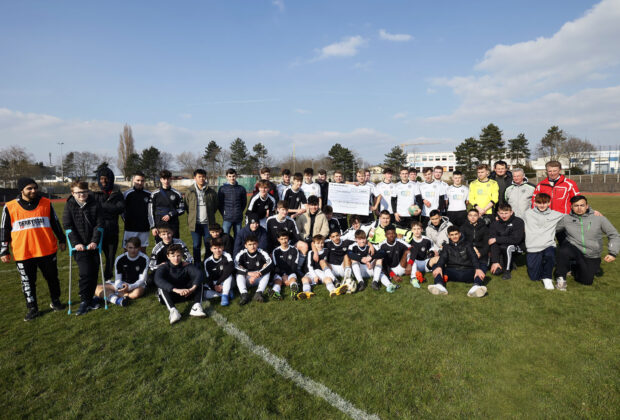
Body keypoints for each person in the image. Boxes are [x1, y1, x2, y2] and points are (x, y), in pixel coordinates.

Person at [1, 177, 67, 321]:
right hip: (23, 252)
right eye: (29, 188)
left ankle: (55, 302)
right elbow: (4, 230)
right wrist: (4, 250)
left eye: (35, 188)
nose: (33, 191)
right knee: (28, 282)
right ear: (21, 190)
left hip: (47, 250)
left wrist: (62, 239)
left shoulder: (46, 203)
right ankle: (32, 308)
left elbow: (55, 223)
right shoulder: (10, 206)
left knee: (53, 279)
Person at [555, 195, 619, 290]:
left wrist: (612, 252)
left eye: (582, 205)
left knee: (586, 281)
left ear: (587, 206)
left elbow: (614, 235)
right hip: (573, 247)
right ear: (571, 207)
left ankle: (574, 266)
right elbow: (552, 230)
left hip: (591, 254)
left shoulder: (599, 218)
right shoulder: (566, 219)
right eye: (576, 206)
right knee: (564, 250)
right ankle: (561, 279)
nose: (579, 208)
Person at [63, 180, 104, 316]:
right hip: (79, 246)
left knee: (93, 272)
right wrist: (76, 243)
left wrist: (94, 241)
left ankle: (90, 298)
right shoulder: (69, 205)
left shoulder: (95, 203)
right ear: (73, 193)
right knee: (85, 272)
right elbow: (68, 226)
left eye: (85, 192)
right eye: (79, 193)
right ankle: (84, 301)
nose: (82, 195)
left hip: (93, 245)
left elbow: (99, 224)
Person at [428, 226, 487, 298]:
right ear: (449, 236)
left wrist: (477, 269)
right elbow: (442, 258)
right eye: (452, 235)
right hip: (452, 272)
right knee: (436, 266)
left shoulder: (467, 244)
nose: (454, 236)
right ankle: (439, 285)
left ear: (460, 234)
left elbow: (473, 257)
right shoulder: (446, 247)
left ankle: (476, 286)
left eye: (456, 234)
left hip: (467, 272)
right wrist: (439, 267)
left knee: (483, 265)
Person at [154, 244, 206, 324]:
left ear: (182, 255)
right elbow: (158, 279)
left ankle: (196, 307)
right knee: (161, 287)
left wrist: (192, 289)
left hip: (187, 294)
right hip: (172, 296)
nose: (176, 258)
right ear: (168, 256)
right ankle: (173, 311)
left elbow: (199, 274)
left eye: (178, 255)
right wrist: (176, 290)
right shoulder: (164, 266)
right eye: (173, 256)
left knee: (199, 281)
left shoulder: (186, 265)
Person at [522, 193, 564, 290]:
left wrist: (591, 211)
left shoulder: (556, 214)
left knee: (550, 254)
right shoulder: (528, 213)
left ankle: (547, 278)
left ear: (549, 203)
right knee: (534, 277)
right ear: (535, 203)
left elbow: (572, 215)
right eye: (539, 202)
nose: (542, 205)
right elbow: (516, 220)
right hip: (533, 246)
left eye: (545, 203)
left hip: (548, 244)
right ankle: (540, 266)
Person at [92, 165, 125, 282]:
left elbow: (120, 208)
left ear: (111, 178)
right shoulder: (93, 193)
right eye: (101, 178)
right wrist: (110, 208)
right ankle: (93, 281)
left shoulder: (117, 192)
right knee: (94, 258)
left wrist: (101, 206)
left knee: (110, 257)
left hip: (112, 230)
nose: (104, 181)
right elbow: (91, 210)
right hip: (96, 231)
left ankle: (108, 279)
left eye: (106, 178)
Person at [96, 237, 148, 307]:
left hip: (136, 285)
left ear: (139, 248)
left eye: (135, 248)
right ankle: (118, 300)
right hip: (122, 284)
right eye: (130, 248)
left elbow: (142, 280)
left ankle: (113, 296)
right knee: (96, 288)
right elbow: (118, 279)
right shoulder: (120, 259)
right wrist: (120, 288)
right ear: (126, 247)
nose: (133, 250)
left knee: (137, 293)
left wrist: (129, 287)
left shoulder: (145, 258)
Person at [184, 169, 218, 265]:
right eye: (199, 177)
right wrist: (192, 217)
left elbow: (215, 206)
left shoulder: (211, 191)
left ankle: (208, 263)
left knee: (208, 245)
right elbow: (187, 206)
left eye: (203, 176)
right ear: (195, 178)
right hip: (195, 224)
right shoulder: (189, 191)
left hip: (208, 224)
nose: (202, 178)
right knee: (196, 245)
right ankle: (198, 264)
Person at [488, 203, 525, 280]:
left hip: (516, 246)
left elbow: (516, 239)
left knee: (508, 247)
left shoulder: (518, 221)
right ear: (498, 213)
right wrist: (495, 261)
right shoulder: (494, 224)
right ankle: (506, 262)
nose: (504, 216)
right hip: (500, 247)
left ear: (511, 212)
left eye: (506, 213)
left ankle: (507, 271)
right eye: (501, 213)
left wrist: (497, 239)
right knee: (496, 272)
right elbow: (492, 241)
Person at [234, 235, 273, 305]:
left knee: (267, 272)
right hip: (246, 278)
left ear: (257, 244)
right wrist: (247, 273)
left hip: (258, 277)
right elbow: (235, 266)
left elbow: (270, 264)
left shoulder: (262, 252)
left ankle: (258, 293)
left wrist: (258, 273)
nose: (252, 246)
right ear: (245, 245)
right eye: (250, 244)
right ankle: (244, 294)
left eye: (254, 244)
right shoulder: (241, 254)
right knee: (239, 274)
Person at [148, 169, 185, 241]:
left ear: (170, 179)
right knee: (160, 246)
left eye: (168, 179)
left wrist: (170, 214)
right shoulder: (154, 194)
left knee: (174, 246)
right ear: (161, 179)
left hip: (173, 223)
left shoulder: (177, 193)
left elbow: (182, 209)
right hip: (159, 223)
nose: (166, 181)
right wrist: (153, 227)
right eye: (164, 179)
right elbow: (150, 212)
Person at [122, 171, 151, 251]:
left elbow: (151, 211)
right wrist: (127, 220)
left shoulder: (149, 195)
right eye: (138, 180)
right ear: (133, 180)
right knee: (128, 251)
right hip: (130, 228)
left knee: (142, 251)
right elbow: (122, 210)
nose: (140, 182)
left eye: (142, 181)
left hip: (144, 228)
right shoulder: (127, 194)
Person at [404, 221, 437, 288]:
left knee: (436, 259)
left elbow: (432, 248)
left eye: (418, 229)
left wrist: (431, 252)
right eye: (414, 229)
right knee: (411, 259)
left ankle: (439, 274)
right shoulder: (408, 240)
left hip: (424, 263)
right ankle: (413, 278)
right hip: (414, 263)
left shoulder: (427, 240)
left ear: (422, 229)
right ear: (411, 230)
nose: (417, 231)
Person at [203, 238, 235, 306]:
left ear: (223, 247)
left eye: (219, 248)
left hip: (226, 280)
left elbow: (229, 270)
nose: (217, 250)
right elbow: (208, 278)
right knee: (204, 293)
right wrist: (214, 287)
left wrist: (218, 283)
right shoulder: (207, 261)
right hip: (216, 283)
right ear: (211, 249)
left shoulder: (227, 255)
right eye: (215, 248)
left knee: (229, 276)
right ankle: (225, 293)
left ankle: (225, 296)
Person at [271, 230, 301, 299]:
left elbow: (294, 265)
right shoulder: (275, 251)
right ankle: (275, 292)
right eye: (282, 239)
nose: (284, 241)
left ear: (288, 238)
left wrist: (287, 276)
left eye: (285, 238)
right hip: (280, 272)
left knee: (293, 278)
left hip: (291, 272)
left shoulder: (294, 250)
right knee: (277, 280)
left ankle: (294, 292)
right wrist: (283, 275)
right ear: (278, 240)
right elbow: (276, 266)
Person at [218, 168, 247, 237]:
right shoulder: (222, 189)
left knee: (238, 237)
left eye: (233, 176)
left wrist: (239, 211)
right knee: (225, 237)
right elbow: (220, 203)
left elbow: (244, 203)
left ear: (236, 176)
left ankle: (236, 248)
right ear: (226, 177)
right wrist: (224, 213)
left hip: (238, 218)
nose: (232, 178)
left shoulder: (241, 188)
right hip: (227, 218)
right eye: (230, 176)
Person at [460, 209, 490, 273]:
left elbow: (486, 243)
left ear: (478, 216)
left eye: (475, 215)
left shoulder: (484, 227)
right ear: (467, 216)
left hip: (480, 251)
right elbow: (462, 241)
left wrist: (480, 253)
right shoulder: (463, 227)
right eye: (470, 215)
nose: (472, 217)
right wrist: (472, 250)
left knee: (482, 268)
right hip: (468, 250)